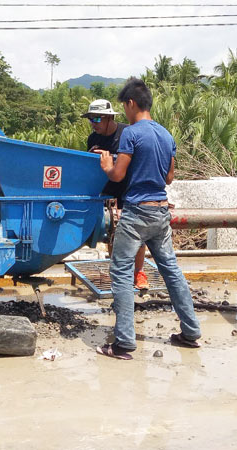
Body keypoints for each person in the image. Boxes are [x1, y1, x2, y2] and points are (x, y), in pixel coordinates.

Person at [93, 79, 201, 360]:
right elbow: (169, 177)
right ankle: (190, 332)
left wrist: (107, 165)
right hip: (161, 211)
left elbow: (117, 175)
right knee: (171, 271)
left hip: (137, 211)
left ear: (131, 104)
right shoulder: (166, 135)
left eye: (124, 107)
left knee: (120, 272)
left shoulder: (131, 133)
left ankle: (124, 343)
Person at [81, 99, 149, 289]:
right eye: (90, 119)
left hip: (129, 191)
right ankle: (117, 272)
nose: (93, 123)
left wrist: (113, 158)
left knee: (138, 235)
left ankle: (139, 273)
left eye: (96, 119)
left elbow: (137, 161)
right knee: (111, 233)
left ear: (109, 118)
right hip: (107, 192)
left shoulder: (127, 134)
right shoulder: (92, 138)